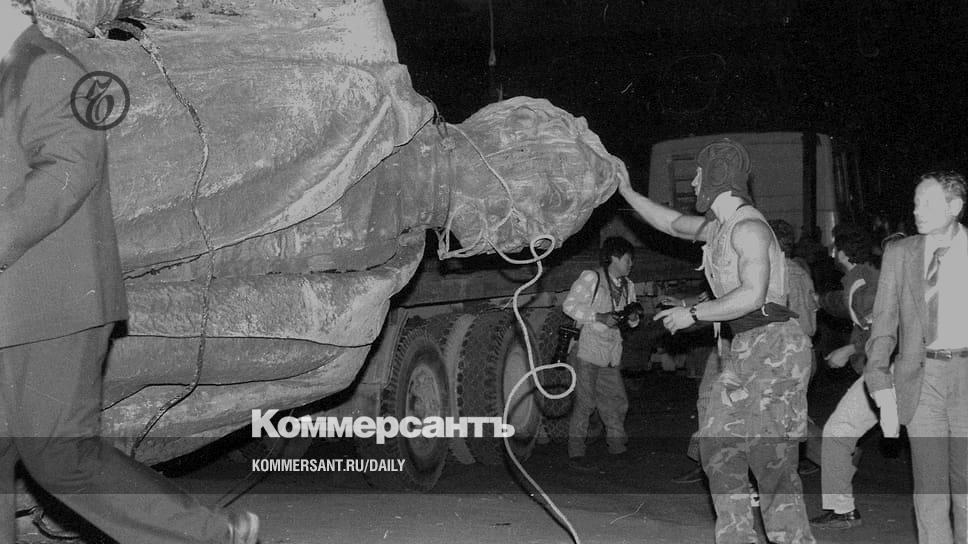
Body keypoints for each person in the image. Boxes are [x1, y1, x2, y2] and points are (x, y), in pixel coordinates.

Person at [0, 4, 256, 543]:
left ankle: (211, 536)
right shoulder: (11, 71)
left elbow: (71, 167)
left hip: (52, 307)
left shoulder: (48, 66)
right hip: (16, 309)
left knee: (61, 457)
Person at [620, 138, 815, 544]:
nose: (693, 182)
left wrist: (693, 313)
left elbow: (753, 294)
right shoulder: (718, 228)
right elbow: (671, 223)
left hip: (775, 347)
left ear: (717, 177)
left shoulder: (749, 229)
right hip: (744, 345)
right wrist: (627, 192)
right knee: (718, 448)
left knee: (771, 462)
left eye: (698, 174)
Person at [865, 171, 968, 544]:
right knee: (929, 489)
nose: (916, 211)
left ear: (955, 207)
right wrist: (881, 389)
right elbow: (883, 327)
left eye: (927, 203)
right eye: (915, 203)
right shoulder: (900, 253)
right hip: (921, 380)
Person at [808, 223, 879, 530]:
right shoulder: (860, 278)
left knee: (838, 430)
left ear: (842, 252)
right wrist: (820, 300)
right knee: (838, 431)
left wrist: (850, 349)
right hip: (881, 372)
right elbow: (844, 303)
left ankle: (843, 509)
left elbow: (884, 324)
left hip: (887, 373)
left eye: (835, 247)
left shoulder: (863, 282)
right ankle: (842, 509)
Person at [563, 236, 639, 471]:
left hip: (610, 352)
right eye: (627, 259)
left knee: (616, 400)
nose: (631, 264)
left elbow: (631, 319)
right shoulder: (592, 278)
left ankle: (617, 448)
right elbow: (569, 306)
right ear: (614, 258)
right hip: (587, 349)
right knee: (585, 403)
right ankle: (576, 453)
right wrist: (599, 316)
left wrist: (632, 319)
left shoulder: (628, 285)